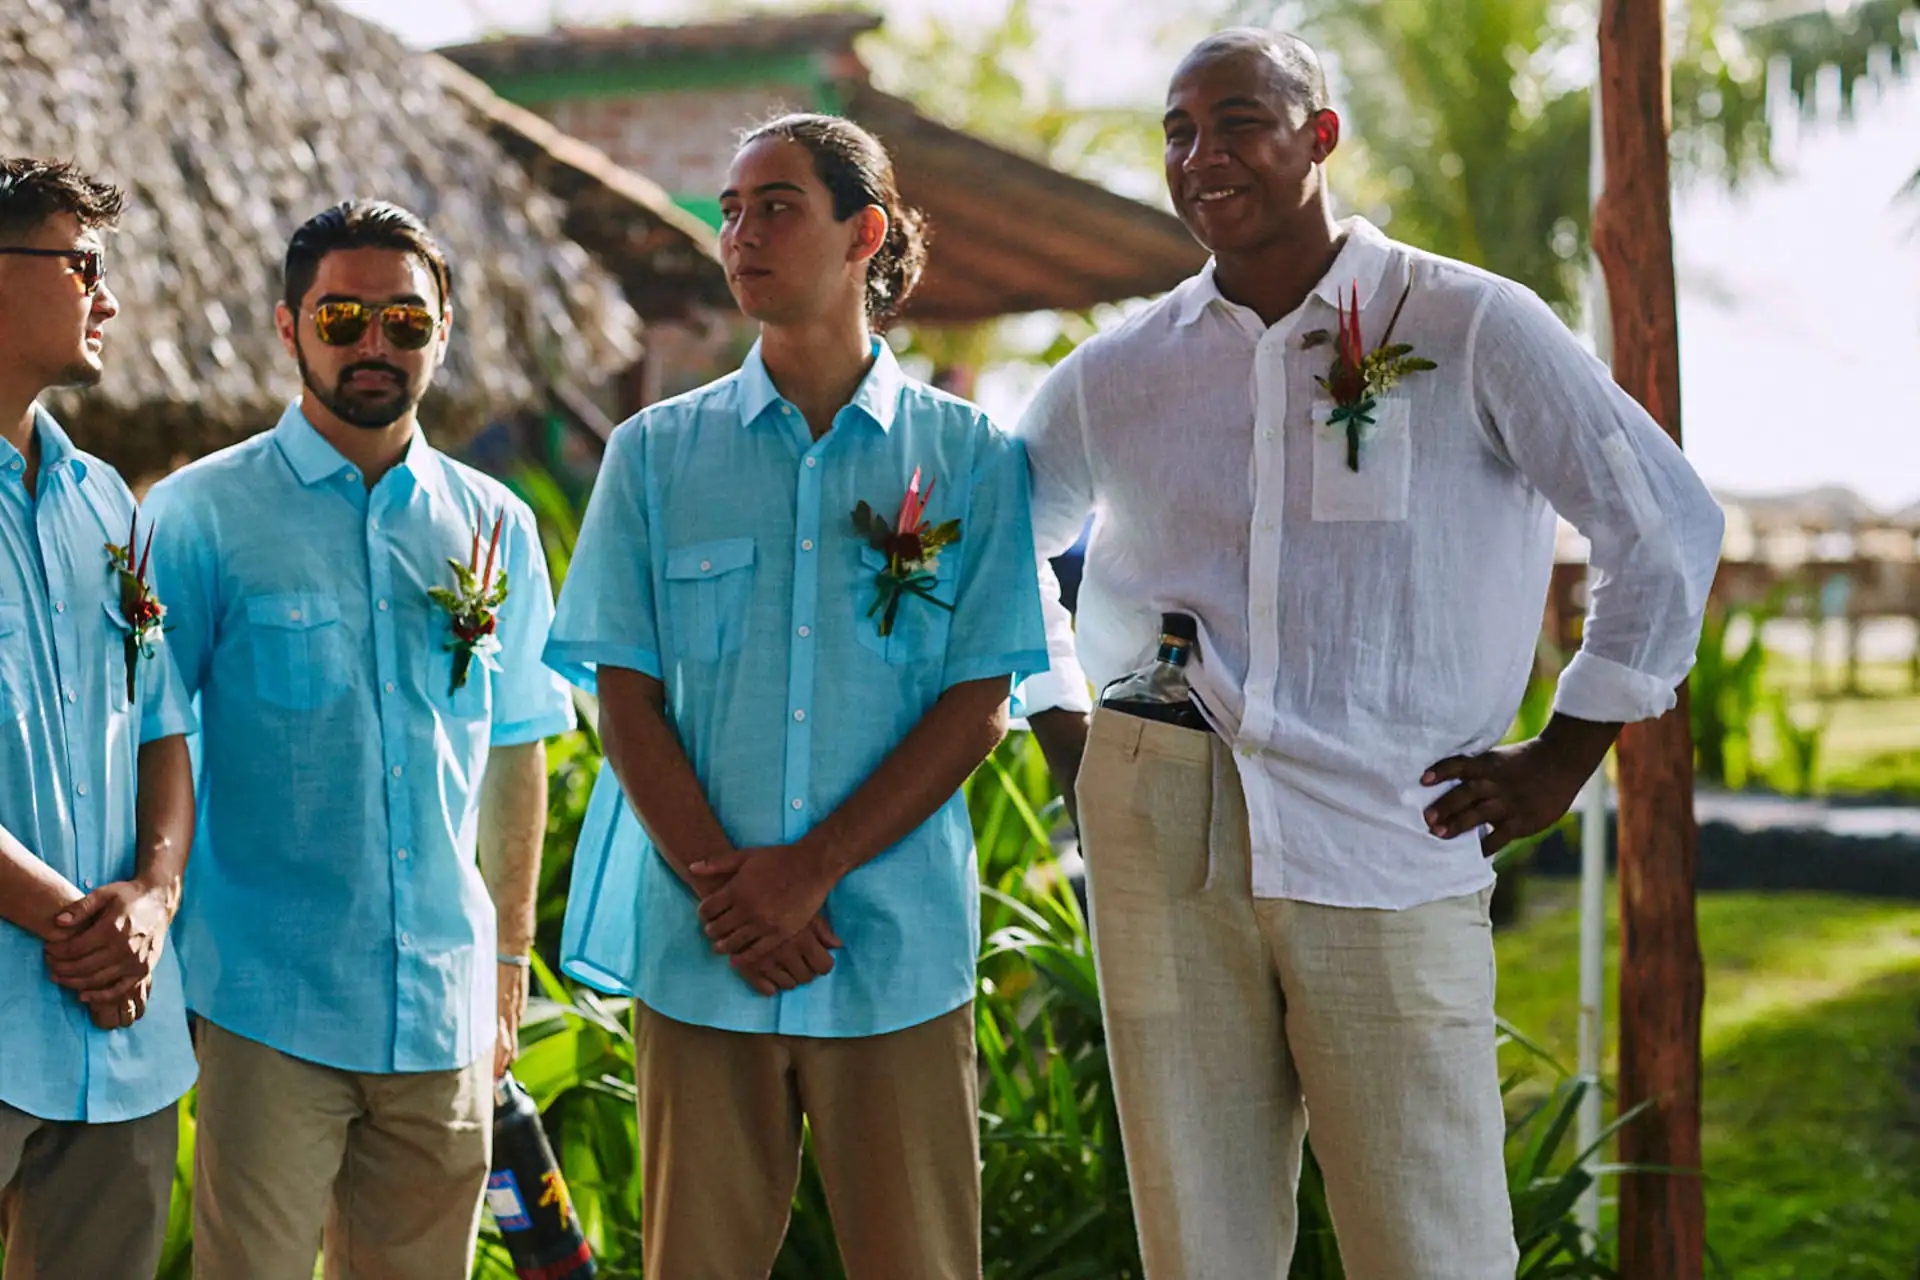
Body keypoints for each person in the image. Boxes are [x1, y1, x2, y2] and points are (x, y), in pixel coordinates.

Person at [1016, 30, 1725, 1280]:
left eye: (1238, 121)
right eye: (1178, 131)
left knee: (1431, 1236)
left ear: (1321, 136)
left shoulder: (1468, 323)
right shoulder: (1117, 373)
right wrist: (1070, 726)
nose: (1202, 155)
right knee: (1201, 1241)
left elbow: (1661, 520)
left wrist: (1571, 748)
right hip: (1164, 833)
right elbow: (996, 556)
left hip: (1396, 824)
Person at [545, 113, 1047, 1279]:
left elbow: (978, 701)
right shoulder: (654, 454)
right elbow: (622, 693)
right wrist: (733, 890)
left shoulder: (969, 455)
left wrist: (810, 867)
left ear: (862, 232)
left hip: (894, 954)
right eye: (730, 209)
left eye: (774, 206)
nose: (739, 234)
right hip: (702, 951)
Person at [144, 200, 575, 1279]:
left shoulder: (496, 525)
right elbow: (149, 738)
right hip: (263, 1001)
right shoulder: (199, 514)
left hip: (447, 1003)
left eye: (405, 321)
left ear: (441, 331)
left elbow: (520, 745)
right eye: (343, 317)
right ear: (289, 326)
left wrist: (511, 963)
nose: (374, 344)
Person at [0, 157, 198, 1279]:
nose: (107, 296)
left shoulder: (107, 502)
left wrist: (153, 902)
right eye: (82, 265)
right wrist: (77, 922)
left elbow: (162, 724)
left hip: (119, 1029)